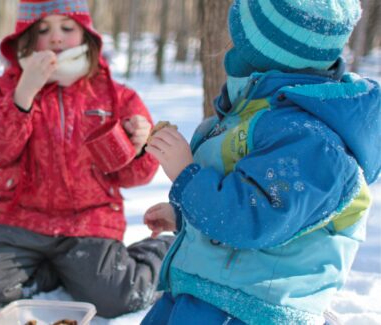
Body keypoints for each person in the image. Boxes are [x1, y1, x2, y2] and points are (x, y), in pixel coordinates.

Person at [141, 0, 380, 324]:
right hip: (207, 294)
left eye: (239, 39)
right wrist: (185, 213)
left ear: (269, 52)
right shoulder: (259, 112)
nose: (230, 47)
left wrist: (186, 175)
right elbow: (244, 190)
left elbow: (253, 218)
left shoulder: (313, 141)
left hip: (249, 310)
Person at [0, 0, 173, 318]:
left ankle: (161, 252)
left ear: (86, 37)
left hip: (89, 222)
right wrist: (22, 95)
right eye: (43, 30)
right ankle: (55, 271)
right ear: (25, 39)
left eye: (67, 28)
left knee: (115, 297)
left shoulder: (116, 96)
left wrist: (139, 147)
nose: (56, 38)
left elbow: (138, 176)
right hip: (17, 220)